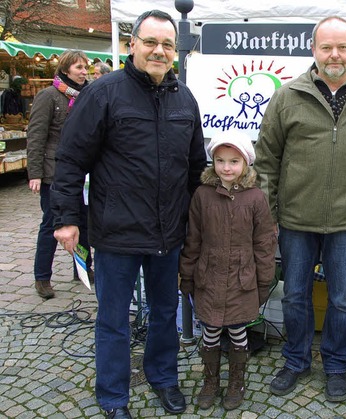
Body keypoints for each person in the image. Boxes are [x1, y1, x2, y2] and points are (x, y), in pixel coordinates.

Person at [50, 10, 207, 419]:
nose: (159, 50)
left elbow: (194, 168)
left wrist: (194, 223)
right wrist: (65, 218)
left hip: (167, 231)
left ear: (176, 50)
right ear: (132, 44)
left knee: (164, 312)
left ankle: (163, 377)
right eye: (151, 42)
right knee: (115, 320)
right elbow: (69, 161)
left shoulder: (184, 98)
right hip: (116, 231)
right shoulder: (102, 93)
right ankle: (114, 395)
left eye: (167, 44)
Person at [254, 15, 346, 402]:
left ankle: (335, 365)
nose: (335, 54)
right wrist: (267, 215)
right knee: (295, 296)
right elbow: (266, 159)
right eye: (326, 47)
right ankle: (296, 360)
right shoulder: (287, 96)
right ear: (313, 49)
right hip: (297, 219)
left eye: (342, 47)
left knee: (342, 299)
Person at [179, 132, 277, 411]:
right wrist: (187, 274)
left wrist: (263, 281)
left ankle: (236, 382)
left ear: (246, 163)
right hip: (209, 277)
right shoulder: (202, 195)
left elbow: (264, 243)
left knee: (237, 331)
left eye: (234, 161)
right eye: (220, 161)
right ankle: (210, 382)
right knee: (209, 330)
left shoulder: (256, 198)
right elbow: (193, 238)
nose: (226, 167)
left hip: (241, 279)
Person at [26, 49, 93, 299]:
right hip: (53, 173)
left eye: (85, 68)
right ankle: (42, 277)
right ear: (65, 70)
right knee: (52, 225)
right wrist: (35, 172)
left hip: (82, 173)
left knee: (83, 223)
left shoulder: (88, 95)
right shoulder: (49, 96)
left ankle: (83, 268)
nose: (84, 72)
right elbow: (36, 136)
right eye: (79, 68)